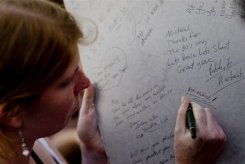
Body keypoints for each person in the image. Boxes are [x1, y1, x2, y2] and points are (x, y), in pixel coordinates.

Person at [0, 0, 226, 163]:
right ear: (12, 113)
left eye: (78, 68)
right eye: (66, 82)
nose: (85, 82)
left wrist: (92, 153)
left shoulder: (31, 143)